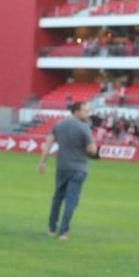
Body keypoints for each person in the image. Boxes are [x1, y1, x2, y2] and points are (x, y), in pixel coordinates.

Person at [37, 101, 98, 240]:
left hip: (63, 167)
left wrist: (42, 162)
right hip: (79, 168)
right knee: (71, 200)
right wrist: (89, 151)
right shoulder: (84, 128)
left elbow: (48, 144)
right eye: (85, 111)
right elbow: (92, 150)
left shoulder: (59, 125)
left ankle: (51, 228)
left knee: (57, 197)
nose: (87, 114)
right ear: (76, 112)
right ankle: (64, 232)